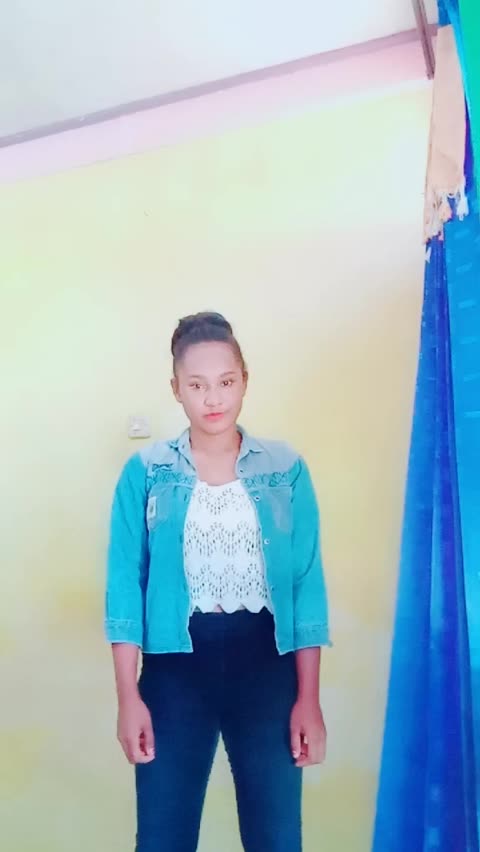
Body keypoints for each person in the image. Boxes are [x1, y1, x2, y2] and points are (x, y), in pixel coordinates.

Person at [105, 311, 330, 852]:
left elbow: (305, 585)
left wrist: (309, 698)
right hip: (175, 671)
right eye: (197, 385)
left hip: (267, 668)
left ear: (244, 381)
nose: (213, 399)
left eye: (226, 382)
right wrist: (128, 697)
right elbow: (125, 587)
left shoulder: (286, 468)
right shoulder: (146, 472)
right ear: (176, 390)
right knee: (162, 838)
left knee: (276, 838)